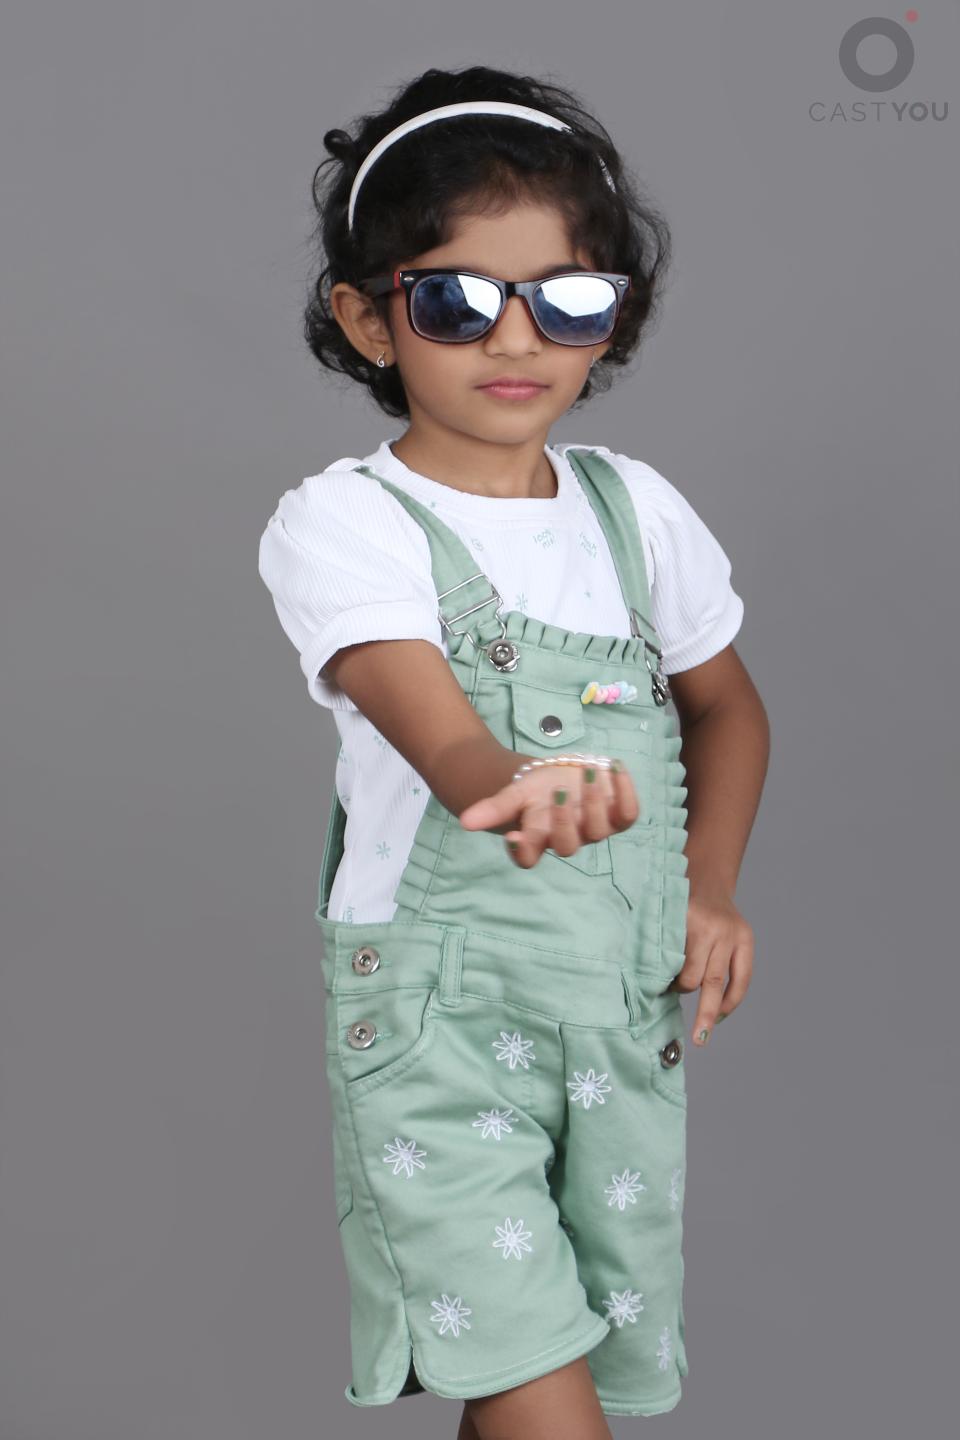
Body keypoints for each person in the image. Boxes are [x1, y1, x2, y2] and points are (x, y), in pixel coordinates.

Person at [257, 64, 769, 1440]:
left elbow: (728, 706)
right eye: (455, 300)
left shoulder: (635, 512)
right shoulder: (345, 523)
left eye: (567, 297)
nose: (517, 337)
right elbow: (432, 723)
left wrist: (710, 888)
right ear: (368, 318)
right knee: (539, 1394)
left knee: (560, 1381)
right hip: (442, 1032)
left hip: (619, 1015)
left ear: (617, 313)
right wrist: (504, 783)